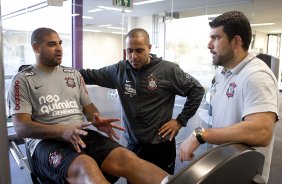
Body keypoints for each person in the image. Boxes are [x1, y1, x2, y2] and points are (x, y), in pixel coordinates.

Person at [7, 27, 168, 184]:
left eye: (60, 43)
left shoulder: (73, 75)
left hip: (80, 134)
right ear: (36, 47)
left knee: (127, 157)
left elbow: (88, 107)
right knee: (86, 166)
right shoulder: (23, 80)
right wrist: (62, 131)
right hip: (45, 142)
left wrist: (95, 118)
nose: (59, 49)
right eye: (52, 44)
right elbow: (21, 127)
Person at [79, 28, 205, 174]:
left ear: (149, 48)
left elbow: (197, 90)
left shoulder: (168, 70)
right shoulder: (120, 70)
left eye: (139, 50)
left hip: (161, 147)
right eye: (129, 51)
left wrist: (180, 121)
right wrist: (57, 69)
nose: (133, 56)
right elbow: (88, 75)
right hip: (134, 147)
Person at [179, 11, 279, 182]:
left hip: (243, 174)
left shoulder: (257, 76)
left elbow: (261, 131)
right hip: (222, 165)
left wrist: (201, 134)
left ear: (236, 41)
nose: (209, 44)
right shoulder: (222, 72)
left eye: (216, 38)